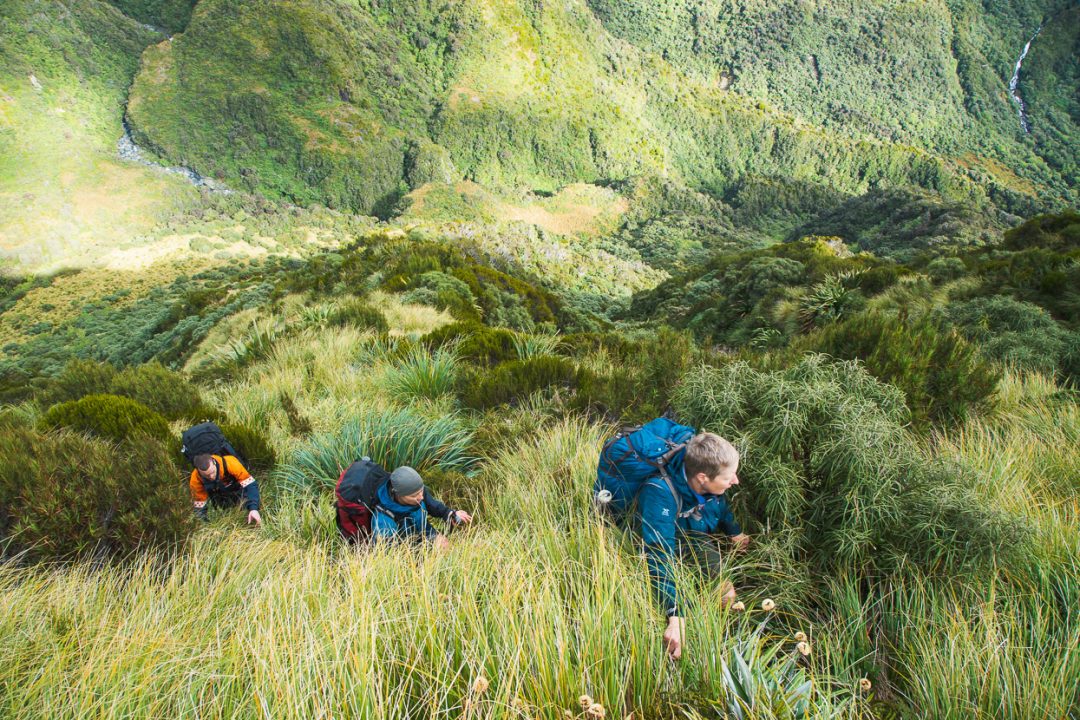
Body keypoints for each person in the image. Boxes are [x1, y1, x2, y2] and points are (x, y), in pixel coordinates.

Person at [596, 423, 749, 661]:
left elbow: (718, 503)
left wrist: (734, 532)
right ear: (702, 477)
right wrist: (675, 615)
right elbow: (659, 552)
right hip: (656, 525)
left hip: (687, 523)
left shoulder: (708, 479)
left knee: (725, 592)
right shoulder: (658, 493)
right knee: (722, 591)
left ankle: (729, 635)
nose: (736, 481)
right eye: (729, 477)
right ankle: (716, 646)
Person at [371, 466, 473, 548]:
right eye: (414, 495)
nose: (421, 497)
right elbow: (388, 554)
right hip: (405, 549)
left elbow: (431, 504)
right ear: (398, 494)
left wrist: (450, 514)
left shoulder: (417, 493)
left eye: (421, 491)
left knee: (446, 547)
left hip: (425, 533)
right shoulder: (383, 520)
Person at [190, 453, 262, 526]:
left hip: (237, 488)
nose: (211, 477)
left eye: (212, 472)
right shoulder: (195, 479)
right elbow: (199, 504)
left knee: (245, 501)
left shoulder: (230, 463)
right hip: (220, 497)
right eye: (207, 475)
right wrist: (203, 524)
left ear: (214, 462)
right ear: (198, 471)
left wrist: (253, 509)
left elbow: (250, 484)